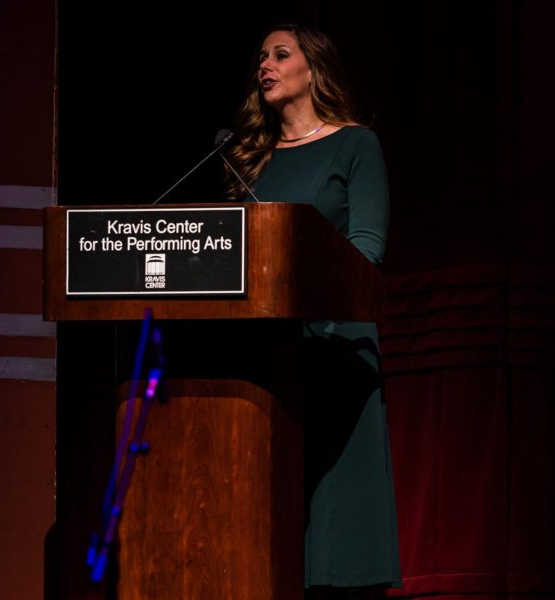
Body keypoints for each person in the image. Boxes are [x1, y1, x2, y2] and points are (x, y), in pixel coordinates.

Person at [225, 23, 402, 598]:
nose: (265, 65)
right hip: (268, 353)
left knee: (334, 535)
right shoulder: (250, 159)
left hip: (334, 347)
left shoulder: (355, 145)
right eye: (261, 57)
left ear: (313, 68)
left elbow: (367, 249)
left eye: (280, 54)